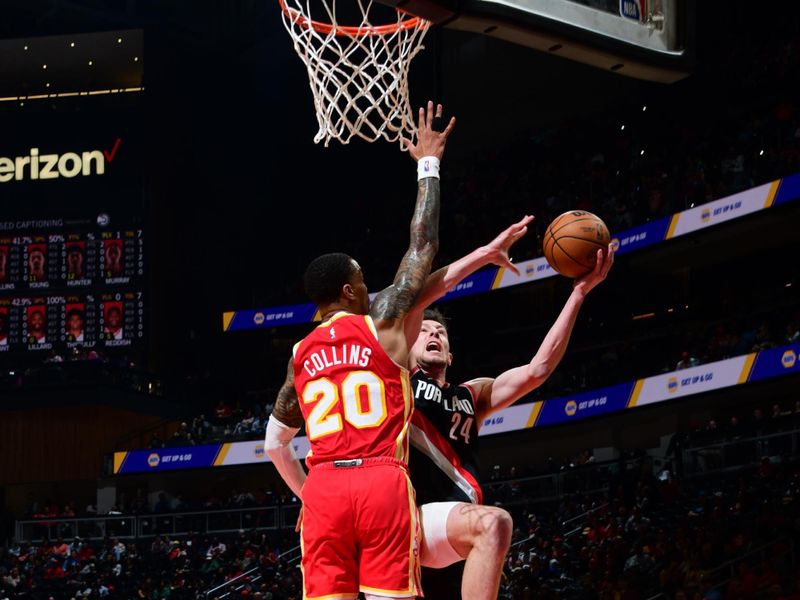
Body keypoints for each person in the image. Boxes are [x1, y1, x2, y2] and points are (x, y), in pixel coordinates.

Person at [265, 101, 455, 600]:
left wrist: (312, 494)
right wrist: (428, 164)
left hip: (324, 485)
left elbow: (273, 445)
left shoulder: (300, 353)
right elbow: (422, 246)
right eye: (362, 279)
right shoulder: (382, 319)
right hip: (380, 482)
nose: (369, 284)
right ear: (350, 292)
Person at [402, 241, 614, 599]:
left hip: (452, 531)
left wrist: (579, 293)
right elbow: (415, 298)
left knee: (491, 528)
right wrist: (482, 255)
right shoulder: (400, 378)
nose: (433, 333)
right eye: (423, 331)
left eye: (440, 332)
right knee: (494, 522)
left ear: (451, 355)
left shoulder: (472, 395)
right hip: (409, 516)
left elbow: (538, 369)